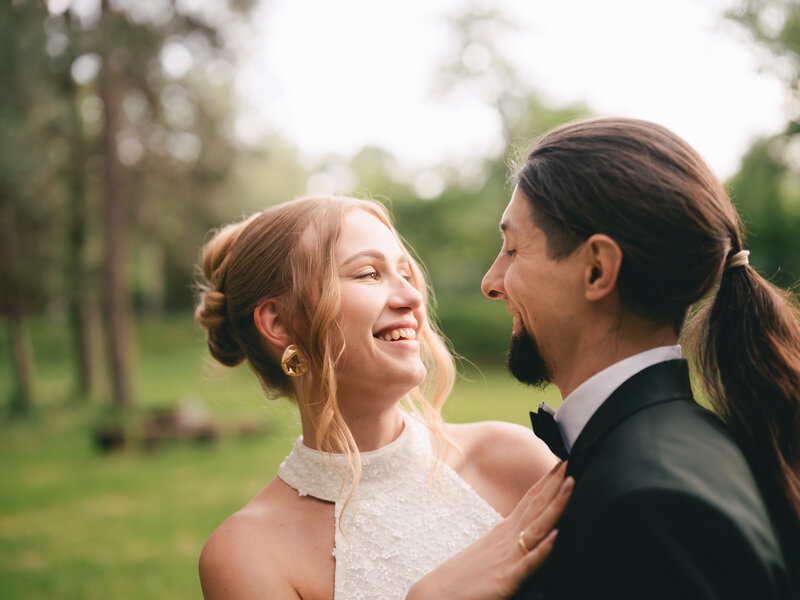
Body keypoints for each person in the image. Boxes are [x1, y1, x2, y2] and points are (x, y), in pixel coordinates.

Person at [481, 117, 799, 599]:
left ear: (596, 269)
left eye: (512, 248)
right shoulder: (671, 452)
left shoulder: (653, 506)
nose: (491, 280)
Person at [194, 194, 570, 600]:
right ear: (279, 322)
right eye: (369, 274)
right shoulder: (246, 554)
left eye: (406, 274)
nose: (411, 298)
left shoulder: (515, 459)